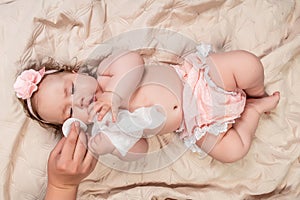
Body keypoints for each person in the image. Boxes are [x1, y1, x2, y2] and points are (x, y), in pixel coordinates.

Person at [14, 44, 280, 164]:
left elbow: (133, 61)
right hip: (196, 123)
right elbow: (141, 149)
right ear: (74, 123)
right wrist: (113, 145)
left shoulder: (107, 73)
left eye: (71, 89)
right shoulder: (107, 127)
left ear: (76, 73)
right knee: (233, 151)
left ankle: (256, 92)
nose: (78, 100)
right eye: (70, 110)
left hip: (197, 82)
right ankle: (253, 112)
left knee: (248, 65)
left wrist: (115, 96)